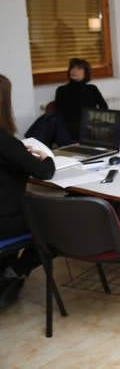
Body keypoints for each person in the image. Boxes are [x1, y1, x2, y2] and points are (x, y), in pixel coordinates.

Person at [0, 75, 55, 308]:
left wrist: (18, 153)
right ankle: (15, 270)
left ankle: (6, 271)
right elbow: (44, 172)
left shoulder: (8, 145)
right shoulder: (5, 141)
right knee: (59, 228)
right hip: (6, 221)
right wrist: (47, 157)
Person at [54, 58, 108, 142]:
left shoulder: (92, 89)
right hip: (69, 128)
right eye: (72, 68)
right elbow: (59, 113)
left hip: (90, 126)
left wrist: (97, 123)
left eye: (79, 68)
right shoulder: (61, 90)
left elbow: (104, 108)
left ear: (85, 73)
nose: (74, 71)